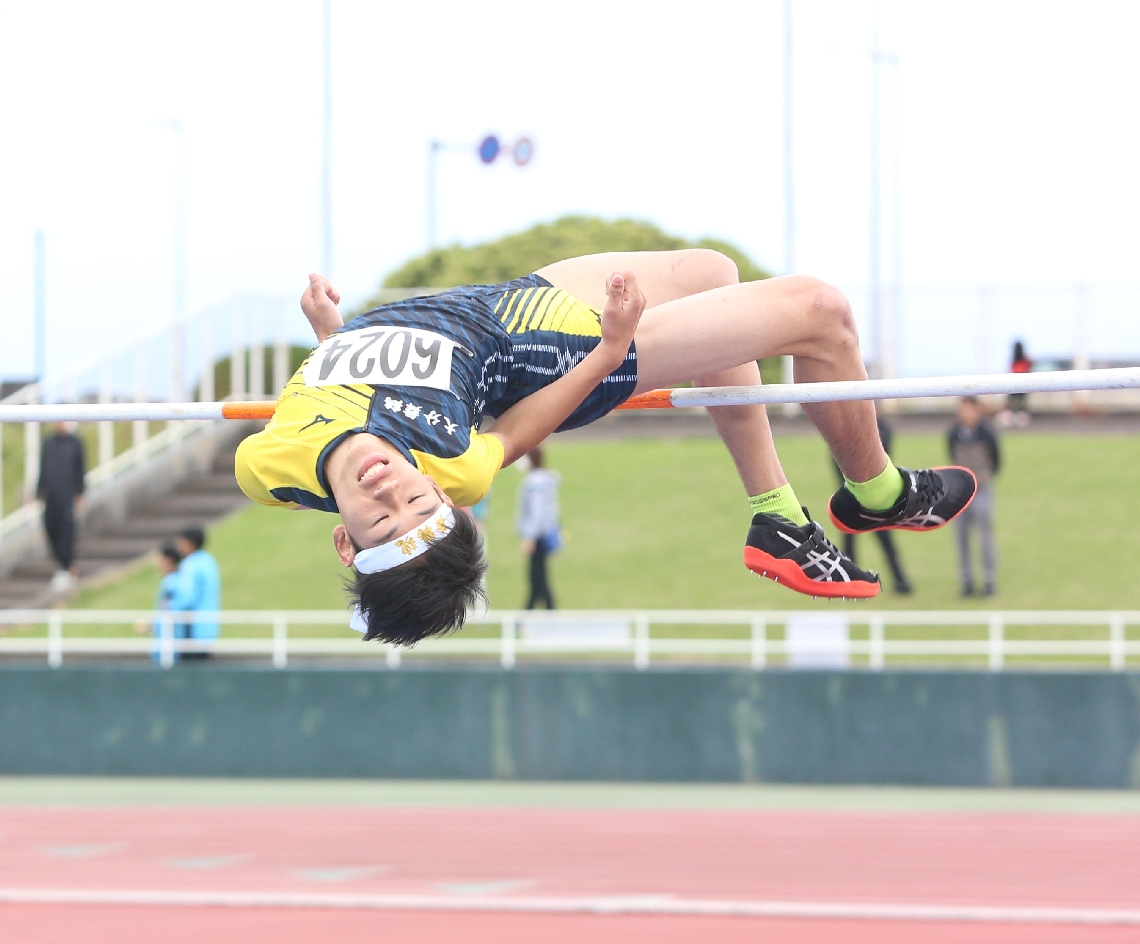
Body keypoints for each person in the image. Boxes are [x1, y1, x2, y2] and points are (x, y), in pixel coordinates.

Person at [235, 251, 977, 645]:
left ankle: (777, 515)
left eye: (382, 517)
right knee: (820, 311)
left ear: (343, 537)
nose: (389, 487)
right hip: (559, 351)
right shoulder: (456, 469)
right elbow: (523, 431)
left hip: (506, 298)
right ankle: (879, 493)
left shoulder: (265, 468)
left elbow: (336, 408)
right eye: (414, 505)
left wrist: (335, 336)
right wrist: (612, 348)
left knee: (711, 273)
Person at [832, 415, 912, 595]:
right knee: (850, 541)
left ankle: (901, 581)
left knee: (885, 539)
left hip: (874, 496)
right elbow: (835, 459)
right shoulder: (846, 428)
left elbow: (885, 457)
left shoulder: (882, 428)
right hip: (853, 496)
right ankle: (849, 582)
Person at [948, 396, 1001, 596]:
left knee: (985, 535)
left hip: (982, 489)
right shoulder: (954, 433)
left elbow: (996, 460)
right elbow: (952, 457)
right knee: (961, 537)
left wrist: (984, 477)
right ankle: (966, 581)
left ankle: (989, 580)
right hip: (960, 493)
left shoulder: (986, 432)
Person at [37, 421, 86, 592]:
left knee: (67, 532)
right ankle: (63, 567)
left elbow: (80, 468)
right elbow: (43, 467)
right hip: (50, 496)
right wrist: (39, 492)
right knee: (51, 529)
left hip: (67, 496)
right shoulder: (49, 442)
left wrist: (80, 491)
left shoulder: (75, 442)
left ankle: (67, 568)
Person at [516, 446, 561, 609]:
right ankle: (531, 614)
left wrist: (529, 537)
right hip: (545, 532)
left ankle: (547, 613)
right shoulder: (546, 480)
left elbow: (536, 512)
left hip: (539, 535)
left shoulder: (534, 483)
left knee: (537, 578)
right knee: (537, 578)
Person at [168, 526, 221, 658]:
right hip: (208, 629)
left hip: (192, 629)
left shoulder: (191, 563)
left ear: (190, 543)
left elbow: (186, 598)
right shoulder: (209, 561)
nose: (179, 546)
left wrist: (168, 611)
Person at [998, 340, 1032, 428]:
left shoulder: (1016, 360)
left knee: (1013, 404)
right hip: (1021, 384)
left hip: (1016, 384)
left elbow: (1013, 370)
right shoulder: (1024, 360)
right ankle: (1018, 420)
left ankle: (1010, 420)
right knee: (1021, 405)